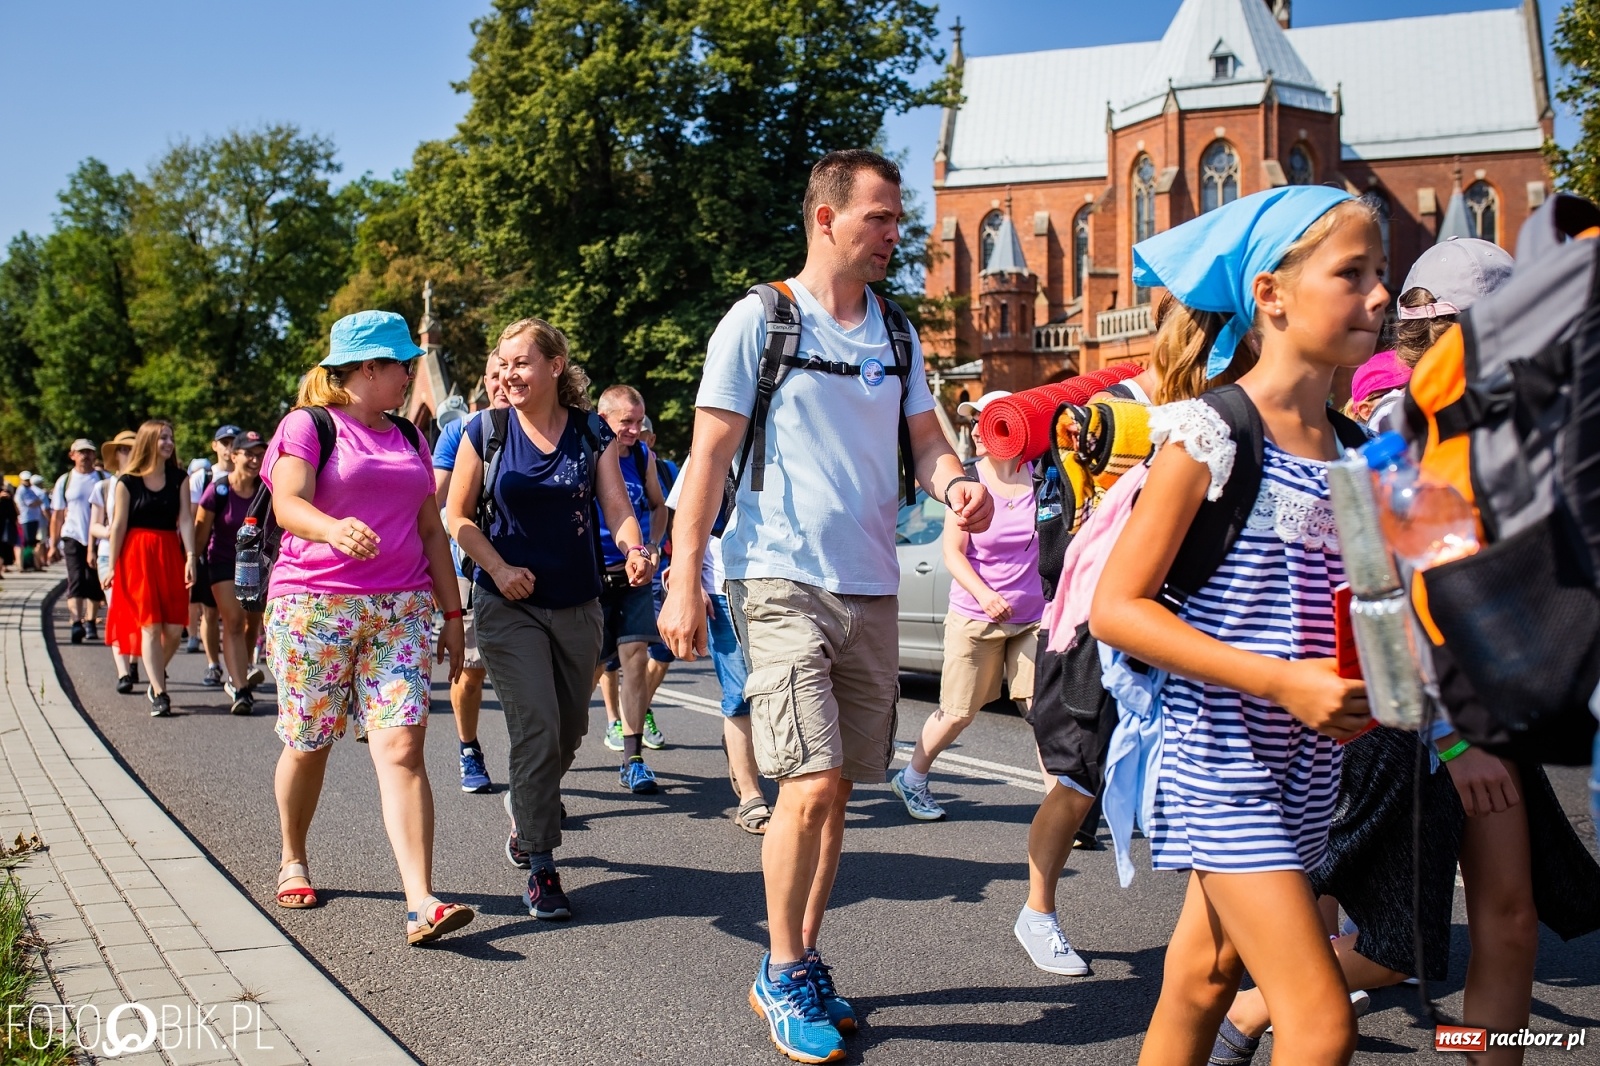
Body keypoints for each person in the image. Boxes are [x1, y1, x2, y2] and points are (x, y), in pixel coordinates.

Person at [1216, 233, 1600, 1066]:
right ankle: (1250, 1008)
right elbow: (1387, 603)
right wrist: (1455, 740)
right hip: (1413, 724)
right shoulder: (1391, 439)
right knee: (1397, 946)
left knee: (1510, 922)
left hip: (1486, 708)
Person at [658, 149, 992, 1064]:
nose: (894, 234)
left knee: (839, 787)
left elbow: (926, 440)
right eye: (878, 217)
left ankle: (800, 959)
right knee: (806, 781)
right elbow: (708, 458)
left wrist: (955, 484)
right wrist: (684, 578)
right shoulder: (760, 320)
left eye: (896, 219)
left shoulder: (897, 332)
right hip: (777, 576)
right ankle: (782, 968)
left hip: (871, 584)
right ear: (825, 218)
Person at [1089, 186, 1384, 1066]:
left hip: (1313, 769)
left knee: (1204, 976)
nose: (1379, 295)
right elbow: (1118, 608)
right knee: (1321, 1023)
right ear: (1271, 293)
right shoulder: (1209, 433)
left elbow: (1369, 606)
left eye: (1382, 274)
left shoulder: (1360, 453)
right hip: (1222, 760)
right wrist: (1282, 681)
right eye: (1353, 273)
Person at [262, 310, 471, 947]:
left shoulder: (408, 434)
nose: (409, 375)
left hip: (401, 612)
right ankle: (293, 856)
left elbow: (430, 528)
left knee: (403, 749)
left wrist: (453, 614)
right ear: (368, 368)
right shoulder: (309, 425)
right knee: (309, 744)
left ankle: (421, 902)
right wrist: (332, 529)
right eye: (402, 365)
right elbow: (287, 503)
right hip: (315, 606)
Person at [446, 317, 650, 921]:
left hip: (580, 602)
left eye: (521, 362)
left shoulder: (589, 432)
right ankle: (540, 862)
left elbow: (616, 506)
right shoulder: (485, 430)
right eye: (503, 363)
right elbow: (456, 516)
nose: (509, 374)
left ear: (555, 366)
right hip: (506, 604)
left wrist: (635, 548)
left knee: (569, 730)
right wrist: (498, 567)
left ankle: (525, 802)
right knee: (535, 726)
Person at [892, 390, 1042, 824]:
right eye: (973, 421)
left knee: (1042, 714)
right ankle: (913, 777)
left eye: (987, 420)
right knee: (958, 714)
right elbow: (953, 554)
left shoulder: (1041, 477)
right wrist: (985, 594)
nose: (976, 429)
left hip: (1033, 619)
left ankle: (1062, 811)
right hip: (977, 617)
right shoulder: (969, 481)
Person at [664, 456, 771, 834]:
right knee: (739, 693)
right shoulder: (710, 448)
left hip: (779, 586)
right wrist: (688, 583)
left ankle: (755, 763)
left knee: (775, 692)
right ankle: (750, 796)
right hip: (723, 589)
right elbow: (683, 517)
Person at [431, 354, 511, 793]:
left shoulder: (549, 427)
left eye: (511, 372)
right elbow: (434, 503)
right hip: (470, 563)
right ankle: (468, 748)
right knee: (473, 670)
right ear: (485, 381)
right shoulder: (461, 431)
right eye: (495, 375)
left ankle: (534, 767)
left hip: (533, 565)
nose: (503, 382)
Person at [592, 384, 667, 791]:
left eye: (639, 422)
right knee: (588, 671)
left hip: (633, 573)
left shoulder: (642, 457)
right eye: (627, 422)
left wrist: (652, 544)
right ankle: (555, 759)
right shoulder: (586, 453)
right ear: (603, 418)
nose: (636, 430)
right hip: (592, 575)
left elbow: (658, 506)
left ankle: (633, 759)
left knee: (635, 657)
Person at [103, 420, 200, 717]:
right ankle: (160, 692)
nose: (169, 443)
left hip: (169, 553)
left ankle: (155, 672)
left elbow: (186, 520)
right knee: (150, 625)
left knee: (174, 629)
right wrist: (111, 565)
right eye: (162, 438)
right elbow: (118, 525)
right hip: (136, 556)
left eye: (170, 437)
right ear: (148, 442)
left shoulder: (179, 478)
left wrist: (191, 556)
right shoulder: (127, 481)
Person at [193, 431, 267, 715]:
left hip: (256, 565)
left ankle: (242, 668)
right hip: (222, 562)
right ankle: (241, 688)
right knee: (234, 621)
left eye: (259, 454)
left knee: (251, 623)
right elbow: (201, 534)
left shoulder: (266, 490)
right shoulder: (218, 490)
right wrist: (192, 564)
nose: (255, 460)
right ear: (234, 456)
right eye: (249, 454)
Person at [51, 439, 111, 644]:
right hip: (73, 535)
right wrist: (53, 544)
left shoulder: (104, 479)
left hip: (99, 537)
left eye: (89, 452)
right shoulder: (65, 481)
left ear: (94, 455)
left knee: (93, 581)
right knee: (76, 579)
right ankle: (76, 622)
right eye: (81, 452)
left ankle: (91, 621)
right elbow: (57, 515)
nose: (85, 456)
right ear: (72, 455)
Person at [93, 431, 139, 693]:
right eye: (123, 449)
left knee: (138, 613)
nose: (127, 453)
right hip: (108, 554)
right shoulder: (105, 486)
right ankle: (123, 672)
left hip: (137, 555)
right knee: (116, 610)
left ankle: (133, 660)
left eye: (132, 448)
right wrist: (111, 531)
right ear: (116, 453)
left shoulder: (146, 483)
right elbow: (94, 526)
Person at [184, 456, 223, 684]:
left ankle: (244, 666)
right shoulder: (203, 478)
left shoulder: (253, 477)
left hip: (241, 556)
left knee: (239, 618)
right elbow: (191, 518)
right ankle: (213, 664)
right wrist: (191, 553)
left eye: (232, 442)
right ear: (216, 446)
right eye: (224, 442)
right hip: (207, 553)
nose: (228, 447)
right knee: (209, 611)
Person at [16, 472, 44, 569]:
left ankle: (33, 563)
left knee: (32, 542)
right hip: (27, 519)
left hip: (33, 518)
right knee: (28, 543)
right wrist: (38, 502)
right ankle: (27, 563)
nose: (27, 482)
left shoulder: (30, 489)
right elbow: (32, 503)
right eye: (25, 480)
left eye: (28, 480)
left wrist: (38, 502)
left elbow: (37, 501)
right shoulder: (22, 490)